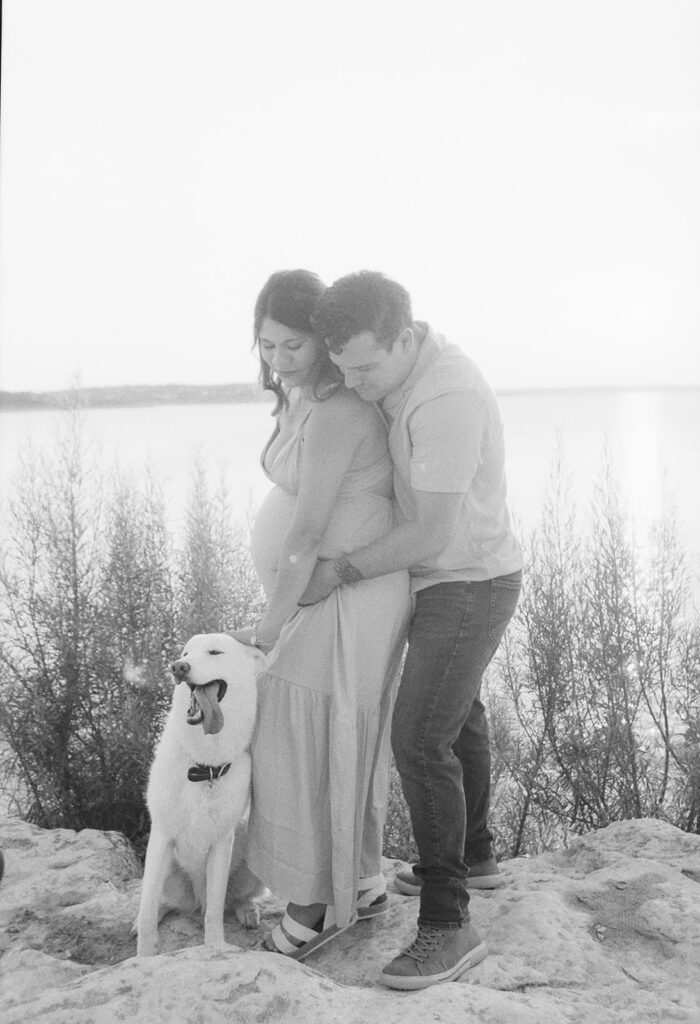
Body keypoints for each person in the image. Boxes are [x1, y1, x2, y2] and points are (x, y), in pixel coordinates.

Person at [301, 270, 523, 990]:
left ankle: (448, 925)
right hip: (449, 578)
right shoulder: (394, 376)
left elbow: (430, 530)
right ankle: (476, 856)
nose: (356, 381)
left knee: (419, 737)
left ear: (406, 336)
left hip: (469, 582)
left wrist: (341, 569)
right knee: (456, 720)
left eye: (367, 365)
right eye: (342, 367)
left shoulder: (446, 394)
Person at [236, 270, 410, 961]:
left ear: (326, 343)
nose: (279, 360)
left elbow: (306, 536)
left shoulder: (339, 411)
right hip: (329, 590)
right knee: (330, 731)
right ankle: (360, 881)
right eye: (267, 346)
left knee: (299, 726)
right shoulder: (305, 399)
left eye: (294, 346)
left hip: (351, 595)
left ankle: (311, 906)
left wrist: (268, 628)